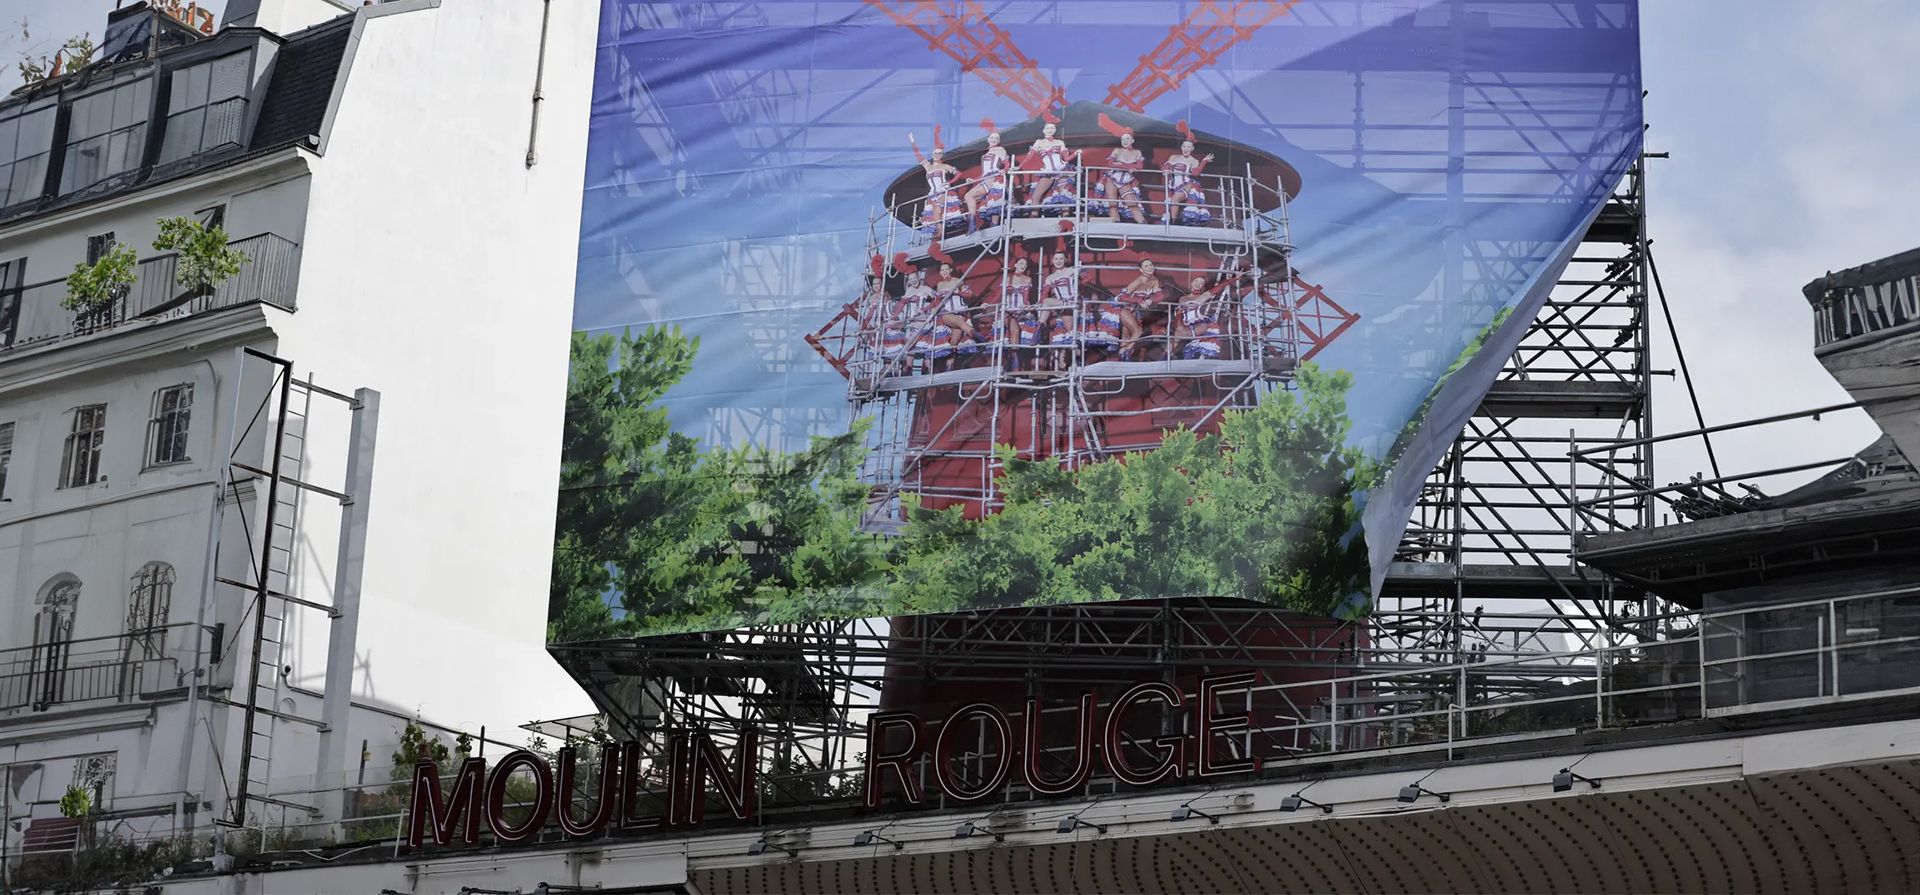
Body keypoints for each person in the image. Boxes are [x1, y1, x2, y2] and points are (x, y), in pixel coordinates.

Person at [1090, 115, 1149, 224]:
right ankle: (1115, 227)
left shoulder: (1137, 153)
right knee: (1113, 205)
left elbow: (1140, 167)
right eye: (1123, 139)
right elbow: (1110, 164)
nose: (1125, 141)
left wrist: (1120, 164)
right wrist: (1128, 167)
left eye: (1127, 139)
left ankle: (1145, 226)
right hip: (1112, 179)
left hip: (1126, 181)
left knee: (1133, 205)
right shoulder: (1117, 150)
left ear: (1132, 140)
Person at [1041, 251, 1093, 365]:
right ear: (1052, 261)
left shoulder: (1071, 270)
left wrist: (1079, 284)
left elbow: (1089, 277)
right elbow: (1045, 294)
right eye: (1056, 259)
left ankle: (1075, 359)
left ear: (1065, 260)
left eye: (1061, 258)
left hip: (1074, 302)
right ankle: (1040, 327)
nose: (1058, 261)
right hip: (1062, 304)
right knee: (1047, 302)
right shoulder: (1050, 277)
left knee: (1072, 331)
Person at [911, 130, 965, 235]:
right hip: (932, 194)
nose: (937, 155)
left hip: (944, 192)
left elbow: (959, 174)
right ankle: (940, 234)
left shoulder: (945, 166)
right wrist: (913, 143)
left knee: (937, 210)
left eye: (939, 153)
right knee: (934, 214)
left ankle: (941, 234)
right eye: (935, 153)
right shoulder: (928, 166)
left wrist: (949, 182)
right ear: (932, 154)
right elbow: (918, 155)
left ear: (942, 155)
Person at [995, 255, 1043, 370]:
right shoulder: (1007, 278)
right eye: (1021, 263)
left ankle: (1016, 364)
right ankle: (1015, 364)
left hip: (1022, 310)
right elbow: (998, 294)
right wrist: (986, 304)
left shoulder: (1027, 279)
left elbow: (1026, 296)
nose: (1023, 266)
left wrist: (1025, 304)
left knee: (1025, 333)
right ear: (1015, 264)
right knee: (1015, 330)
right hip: (1008, 311)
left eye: (1025, 265)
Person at [1113, 258, 1167, 359]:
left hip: (1134, 311)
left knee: (1126, 338)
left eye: (1150, 265)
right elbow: (1122, 297)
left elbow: (1159, 296)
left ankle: (1122, 360)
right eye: (1146, 266)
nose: (1150, 267)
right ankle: (1126, 354)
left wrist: (1151, 299)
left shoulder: (1154, 280)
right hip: (1123, 308)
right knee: (1138, 331)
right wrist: (1140, 300)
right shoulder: (1138, 281)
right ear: (1141, 270)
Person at [1021, 120, 1078, 215]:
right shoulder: (1039, 142)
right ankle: (1033, 218)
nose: (1050, 130)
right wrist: (1018, 167)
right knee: (1036, 196)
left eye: (1052, 128)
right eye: (1047, 128)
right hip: (1048, 172)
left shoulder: (1059, 142)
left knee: (1065, 196)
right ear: (1043, 130)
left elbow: (1066, 158)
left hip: (1061, 170)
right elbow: (1029, 157)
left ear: (1055, 130)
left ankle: (1066, 218)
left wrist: (1076, 153)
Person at [930, 261, 980, 364]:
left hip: (959, 313)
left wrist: (959, 292)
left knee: (953, 343)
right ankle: (980, 338)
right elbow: (937, 301)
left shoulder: (958, 281)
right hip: (945, 313)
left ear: (951, 270)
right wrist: (933, 308)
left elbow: (970, 295)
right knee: (962, 324)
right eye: (942, 270)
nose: (944, 272)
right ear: (940, 272)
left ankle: (949, 368)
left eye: (947, 269)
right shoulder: (939, 285)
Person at [963, 124, 1010, 232]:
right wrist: (973, 180)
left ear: (999, 141)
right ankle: (974, 225)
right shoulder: (985, 154)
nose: (994, 139)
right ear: (988, 139)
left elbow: (1007, 163)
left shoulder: (1000, 150)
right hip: (985, 178)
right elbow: (983, 173)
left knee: (972, 196)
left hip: (994, 178)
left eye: (996, 138)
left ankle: (974, 226)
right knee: (969, 196)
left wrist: (1004, 170)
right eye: (992, 137)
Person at [1162, 134, 1216, 226]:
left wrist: (1204, 162)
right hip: (1174, 186)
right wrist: (1166, 169)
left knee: (1175, 199)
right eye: (1184, 146)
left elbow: (1195, 173)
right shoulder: (1173, 157)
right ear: (1181, 147)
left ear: (1192, 148)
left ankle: (1172, 223)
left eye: (1188, 147)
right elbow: (1166, 167)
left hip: (1187, 185)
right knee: (1173, 201)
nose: (1186, 149)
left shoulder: (1194, 161)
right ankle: (1173, 221)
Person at [1173, 274, 1226, 359]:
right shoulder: (1182, 298)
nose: (1198, 284)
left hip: (1197, 323)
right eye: (1196, 281)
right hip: (1184, 323)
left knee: (1202, 332)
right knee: (1173, 342)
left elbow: (1221, 286)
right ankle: (1163, 361)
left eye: (1201, 283)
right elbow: (1179, 314)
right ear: (1191, 282)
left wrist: (1236, 278)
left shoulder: (1204, 296)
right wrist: (1179, 325)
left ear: (1203, 286)